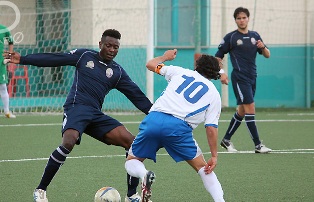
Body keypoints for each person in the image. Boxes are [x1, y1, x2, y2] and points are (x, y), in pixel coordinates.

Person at [4, 29, 152, 202]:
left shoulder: (117, 72)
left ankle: (131, 195)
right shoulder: (84, 56)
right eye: (109, 45)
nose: (112, 50)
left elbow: (137, 96)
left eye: (116, 47)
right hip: (76, 108)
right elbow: (56, 59)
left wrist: (158, 115)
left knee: (132, 142)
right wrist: (23, 59)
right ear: (100, 45)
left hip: (95, 115)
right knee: (69, 141)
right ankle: (40, 190)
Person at [125, 49, 225, 202]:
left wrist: (165, 57)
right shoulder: (214, 95)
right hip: (178, 129)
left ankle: (144, 174)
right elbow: (211, 127)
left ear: (197, 66)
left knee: (132, 160)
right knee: (203, 168)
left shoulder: (179, 72)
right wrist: (214, 156)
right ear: (215, 74)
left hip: (154, 119)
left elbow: (151, 64)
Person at [215, 7, 272, 153]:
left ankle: (226, 139)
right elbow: (217, 57)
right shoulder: (231, 37)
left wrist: (263, 46)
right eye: (238, 18)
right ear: (235, 20)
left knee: (242, 110)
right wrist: (221, 73)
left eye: (244, 17)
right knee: (250, 107)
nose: (241, 20)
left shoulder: (255, 36)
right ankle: (258, 145)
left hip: (252, 76)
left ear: (248, 19)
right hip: (240, 78)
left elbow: (267, 55)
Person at [0, 24, 16, 118]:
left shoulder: (3, 29)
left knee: (2, 86)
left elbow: (11, 41)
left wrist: (9, 55)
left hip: (0, 62)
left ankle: (7, 111)